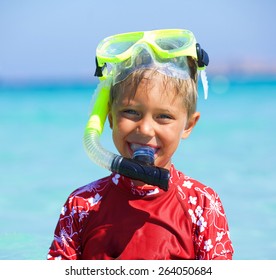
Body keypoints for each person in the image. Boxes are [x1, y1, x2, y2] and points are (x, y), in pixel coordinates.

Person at [47, 29, 234, 260]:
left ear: (188, 125)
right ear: (111, 119)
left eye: (163, 116)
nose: (145, 129)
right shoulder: (82, 205)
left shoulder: (202, 204)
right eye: (131, 112)